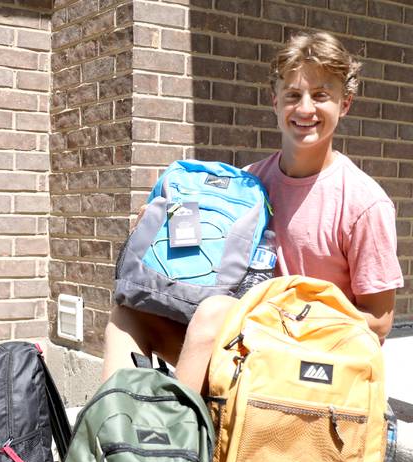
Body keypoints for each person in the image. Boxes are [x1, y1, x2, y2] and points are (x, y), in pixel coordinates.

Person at [102, 30, 404, 394]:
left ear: (345, 104)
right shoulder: (246, 185)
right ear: (274, 101)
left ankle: (178, 439)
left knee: (215, 313)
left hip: (306, 359)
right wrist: (157, 228)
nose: (305, 108)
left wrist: (286, 320)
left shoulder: (364, 202)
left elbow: (379, 321)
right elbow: (204, 260)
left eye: (321, 95)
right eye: (293, 95)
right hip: (237, 343)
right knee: (129, 315)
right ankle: (108, 435)